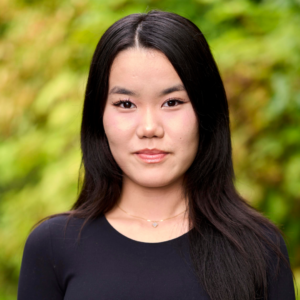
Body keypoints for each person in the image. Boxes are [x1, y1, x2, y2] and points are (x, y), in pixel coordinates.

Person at [17, 10, 295, 300]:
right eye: (125, 104)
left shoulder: (259, 247)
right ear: (98, 115)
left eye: (172, 102)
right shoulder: (52, 246)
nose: (149, 128)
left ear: (206, 112)